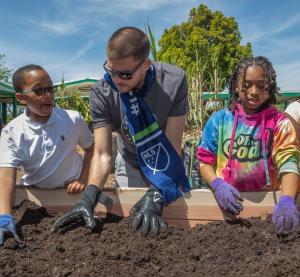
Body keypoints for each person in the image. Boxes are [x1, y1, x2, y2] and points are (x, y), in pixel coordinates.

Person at [52, 26, 190, 235]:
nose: (116, 80)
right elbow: (102, 153)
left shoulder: (173, 81)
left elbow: (173, 143)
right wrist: (89, 197)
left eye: (125, 74)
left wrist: (156, 192)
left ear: (145, 65)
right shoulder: (102, 92)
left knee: (167, 221)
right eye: (111, 70)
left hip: (165, 158)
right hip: (129, 162)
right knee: (130, 225)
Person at [196, 56, 300, 235]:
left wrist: (288, 198)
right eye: (247, 84)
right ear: (236, 85)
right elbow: (204, 161)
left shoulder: (279, 122)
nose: (254, 91)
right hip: (227, 211)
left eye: (261, 86)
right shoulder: (219, 121)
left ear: (270, 87)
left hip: (269, 212)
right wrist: (217, 185)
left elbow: (289, 162)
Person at [0, 64, 94, 245]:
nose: (48, 95)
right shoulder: (12, 132)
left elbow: (91, 149)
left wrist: (83, 179)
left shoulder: (72, 119)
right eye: (39, 91)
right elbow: (6, 177)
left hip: (74, 196)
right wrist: (4, 216)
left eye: (50, 88)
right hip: (35, 199)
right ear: (20, 98)